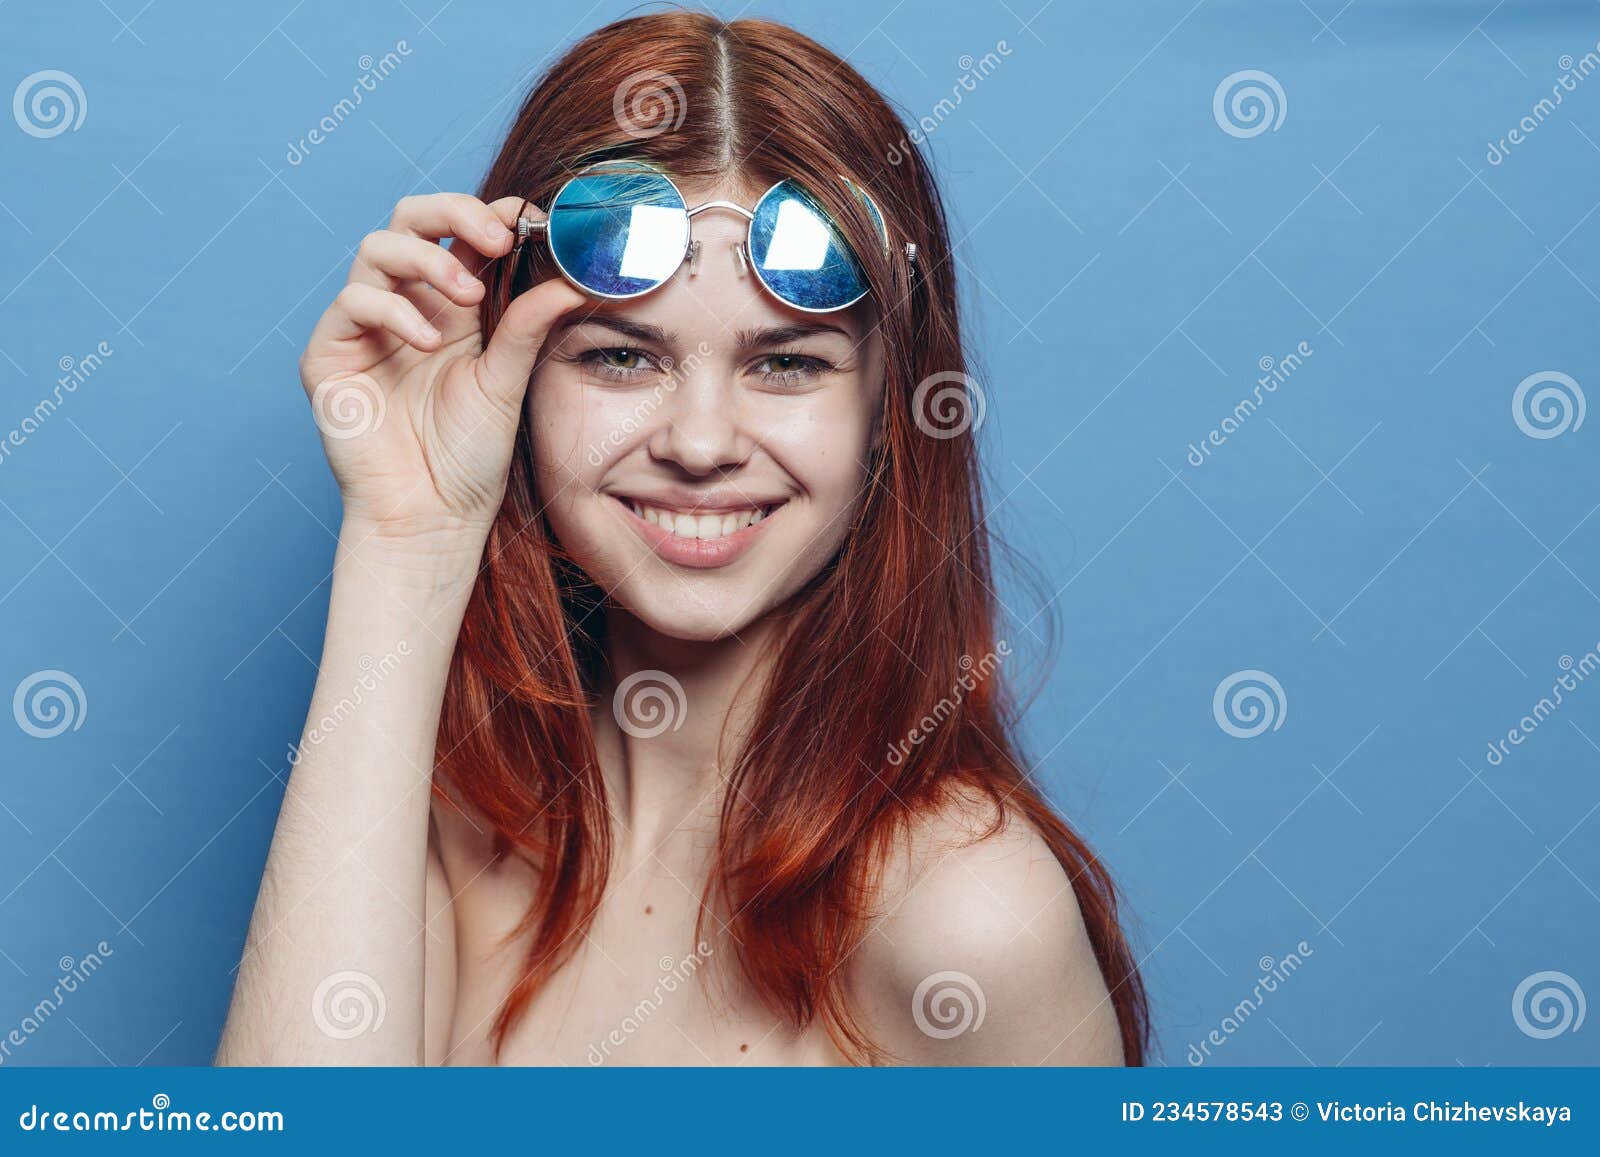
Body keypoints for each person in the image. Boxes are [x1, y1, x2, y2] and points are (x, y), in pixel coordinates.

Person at [216, 10, 1148, 1066]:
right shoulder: (456, 827)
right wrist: (407, 532)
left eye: (787, 364)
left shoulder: (966, 922)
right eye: (621, 358)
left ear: (890, 413)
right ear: (512, 380)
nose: (701, 442)